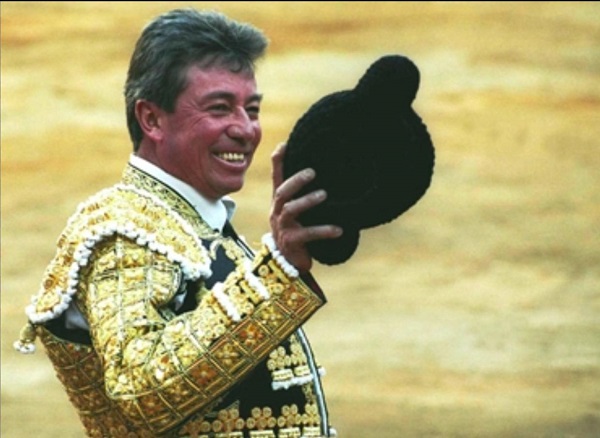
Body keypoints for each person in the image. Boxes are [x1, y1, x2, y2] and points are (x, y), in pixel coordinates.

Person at [14, 8, 341, 438]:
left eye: (252, 109)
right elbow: (142, 391)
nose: (245, 130)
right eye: (220, 108)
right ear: (151, 119)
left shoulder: (196, 226)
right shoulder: (125, 230)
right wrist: (277, 272)